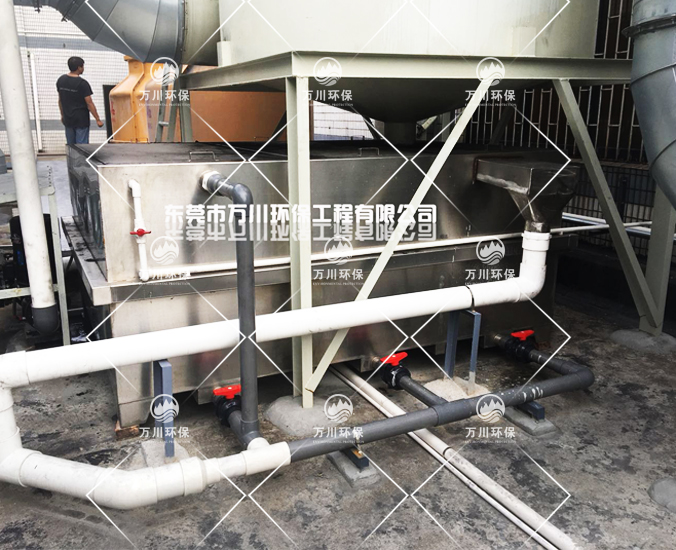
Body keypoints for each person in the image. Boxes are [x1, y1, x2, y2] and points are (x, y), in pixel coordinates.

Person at [56, 57, 103, 145]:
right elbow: (89, 103)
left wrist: (62, 115)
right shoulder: (82, 84)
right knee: (82, 146)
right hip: (81, 120)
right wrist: (98, 119)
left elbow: (60, 100)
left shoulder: (61, 80)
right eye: (83, 66)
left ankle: (72, 155)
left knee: (71, 145)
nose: (83, 68)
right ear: (79, 67)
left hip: (68, 119)